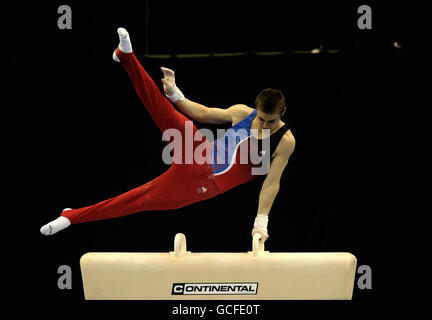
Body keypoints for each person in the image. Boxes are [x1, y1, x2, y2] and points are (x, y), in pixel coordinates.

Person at [40, 28, 296, 244]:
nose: (263, 123)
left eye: (270, 121)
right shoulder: (243, 113)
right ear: (256, 107)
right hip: (198, 152)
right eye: (261, 117)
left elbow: (271, 182)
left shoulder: (285, 141)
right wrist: (175, 93)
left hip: (201, 187)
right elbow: (205, 113)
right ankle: (126, 57)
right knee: (165, 112)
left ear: (282, 113)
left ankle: (72, 216)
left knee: (136, 200)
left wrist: (261, 222)